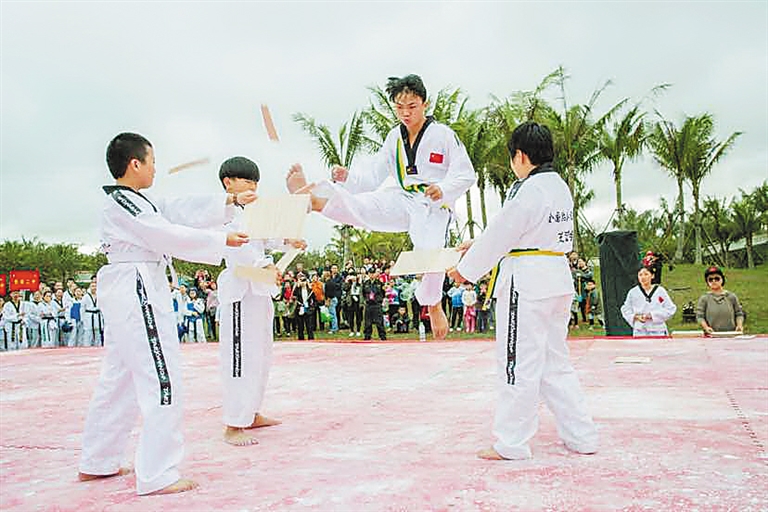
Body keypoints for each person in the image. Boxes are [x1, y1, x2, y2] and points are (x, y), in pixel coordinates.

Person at [77, 132, 253, 495]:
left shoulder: (137, 201)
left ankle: (98, 460)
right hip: (136, 284)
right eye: (152, 161)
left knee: (121, 375)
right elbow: (163, 232)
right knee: (161, 374)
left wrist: (230, 201)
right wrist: (220, 240)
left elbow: (178, 209)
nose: (156, 168)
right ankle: (158, 473)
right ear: (135, 163)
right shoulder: (125, 204)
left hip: (132, 283)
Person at [447, 121, 598, 461]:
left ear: (520, 155)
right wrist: (477, 245)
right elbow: (518, 231)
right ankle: (582, 436)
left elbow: (503, 233)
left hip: (527, 281)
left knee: (517, 362)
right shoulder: (558, 186)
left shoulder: (528, 190)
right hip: (556, 275)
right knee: (555, 362)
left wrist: (464, 270)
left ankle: (511, 442)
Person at [286, 74, 475, 340]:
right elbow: (372, 177)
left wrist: (443, 189)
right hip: (401, 197)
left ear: (425, 104)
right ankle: (315, 200)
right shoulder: (393, 137)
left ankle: (433, 304)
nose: (406, 113)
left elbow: (466, 174)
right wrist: (348, 177)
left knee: (430, 251)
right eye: (400, 107)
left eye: (412, 106)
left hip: (433, 206)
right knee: (364, 207)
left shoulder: (444, 135)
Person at [215, 156, 306, 446]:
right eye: (246, 180)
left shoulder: (254, 212)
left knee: (261, 355)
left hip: (260, 289)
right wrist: (263, 264)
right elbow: (238, 249)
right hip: (240, 289)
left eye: (255, 182)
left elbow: (269, 238)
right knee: (240, 357)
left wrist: (290, 241)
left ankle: (251, 412)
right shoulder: (223, 213)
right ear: (228, 183)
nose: (252, 186)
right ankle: (233, 423)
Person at [620, 266, 677, 337]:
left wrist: (652, 315)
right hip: (640, 331)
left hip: (658, 331)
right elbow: (625, 309)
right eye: (640, 275)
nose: (643, 277)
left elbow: (670, 309)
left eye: (646, 274)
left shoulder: (660, 291)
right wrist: (636, 317)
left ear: (652, 276)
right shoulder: (633, 292)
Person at [696, 266, 745, 334]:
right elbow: (700, 316)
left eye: (717, 278)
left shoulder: (731, 297)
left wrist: (739, 325)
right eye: (710, 279)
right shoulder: (704, 298)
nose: (714, 281)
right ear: (707, 282)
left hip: (731, 334)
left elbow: (739, 314)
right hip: (711, 335)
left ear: (722, 279)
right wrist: (706, 327)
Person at [362, 267, 386, 341]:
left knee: (379, 321)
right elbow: (363, 293)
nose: (372, 275)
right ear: (368, 274)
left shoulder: (380, 283)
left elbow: (383, 293)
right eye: (370, 273)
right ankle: (367, 336)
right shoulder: (366, 283)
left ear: (375, 274)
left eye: (373, 273)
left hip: (377, 304)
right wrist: (366, 300)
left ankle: (382, 336)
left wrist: (379, 300)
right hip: (369, 304)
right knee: (367, 322)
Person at [293, 272, 316, 340]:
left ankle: (311, 338)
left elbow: (314, 298)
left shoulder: (309, 290)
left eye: (304, 280)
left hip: (308, 309)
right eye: (301, 280)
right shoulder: (298, 289)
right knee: (300, 326)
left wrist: (312, 307)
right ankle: (301, 339)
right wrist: (297, 285)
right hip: (300, 308)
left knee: (309, 326)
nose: (303, 282)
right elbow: (294, 295)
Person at [81, 278, 104, 347]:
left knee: (98, 333)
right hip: (88, 316)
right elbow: (82, 308)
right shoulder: (86, 296)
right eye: (92, 286)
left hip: (97, 316)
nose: (94, 288)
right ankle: (86, 347)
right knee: (88, 333)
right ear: (90, 287)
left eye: (95, 286)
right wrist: (82, 319)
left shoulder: (99, 296)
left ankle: (98, 347)